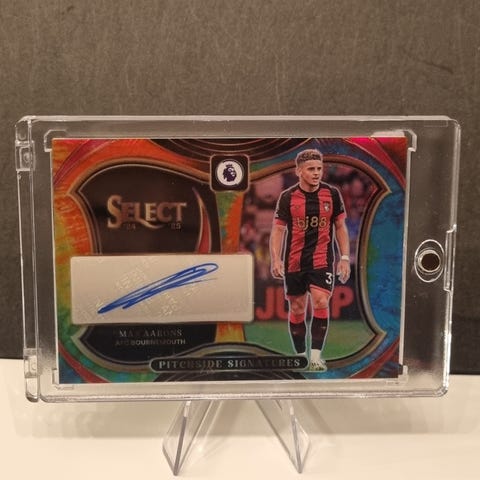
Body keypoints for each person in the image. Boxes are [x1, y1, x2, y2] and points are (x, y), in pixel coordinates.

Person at [270, 149, 350, 371]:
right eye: (311, 169)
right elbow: (278, 230)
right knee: (297, 307)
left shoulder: (332, 194)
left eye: (319, 169)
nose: (316, 173)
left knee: (321, 301)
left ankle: (315, 357)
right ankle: (300, 357)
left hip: (322, 260)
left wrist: (344, 257)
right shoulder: (287, 197)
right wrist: (276, 259)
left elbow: (340, 227)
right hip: (294, 261)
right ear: (298, 171)